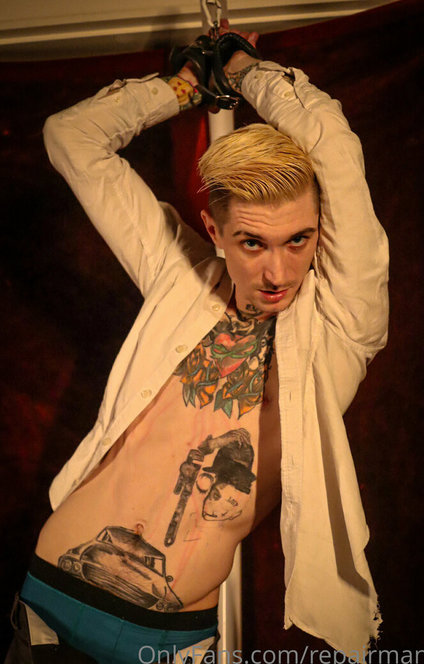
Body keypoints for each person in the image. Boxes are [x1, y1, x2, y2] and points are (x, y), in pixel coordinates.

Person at [5, 21, 389, 664]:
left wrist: (244, 70)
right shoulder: (177, 273)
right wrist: (184, 87)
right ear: (214, 230)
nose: (278, 272)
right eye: (253, 243)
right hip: (49, 601)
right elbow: (72, 138)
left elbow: (335, 148)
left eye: (298, 240)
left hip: (168, 641)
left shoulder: (342, 326)